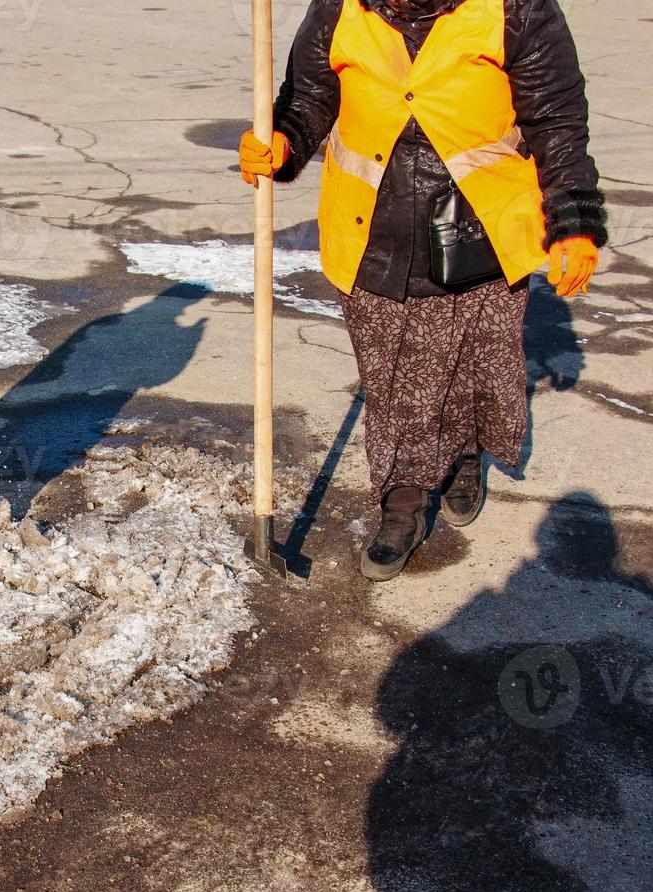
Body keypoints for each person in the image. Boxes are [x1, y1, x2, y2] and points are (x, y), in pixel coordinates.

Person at [238, 0, 607, 581]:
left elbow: (557, 120)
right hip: (372, 228)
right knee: (392, 380)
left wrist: (576, 224)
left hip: (481, 222)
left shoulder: (516, 7)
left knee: (471, 361)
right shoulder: (340, 8)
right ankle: (402, 504)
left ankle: (462, 455)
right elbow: (309, 98)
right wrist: (281, 141)